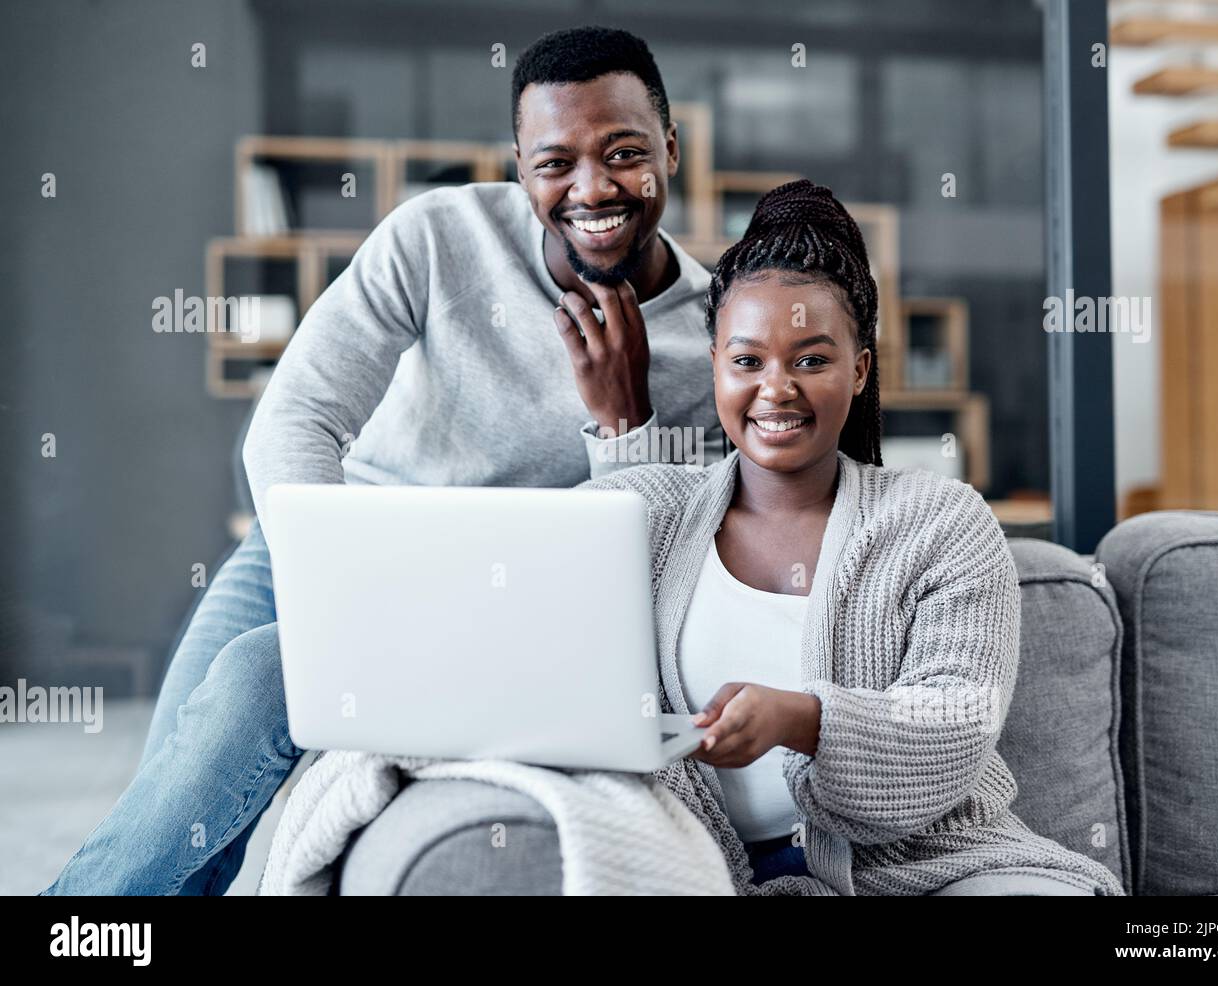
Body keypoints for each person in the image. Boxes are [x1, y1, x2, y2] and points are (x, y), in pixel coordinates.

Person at [43, 25, 724, 895]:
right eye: (555, 162)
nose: (592, 188)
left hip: (495, 597)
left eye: (623, 152)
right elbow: (295, 416)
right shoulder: (440, 235)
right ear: (520, 166)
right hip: (326, 545)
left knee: (255, 681)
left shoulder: (713, 340)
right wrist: (339, 585)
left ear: (670, 147)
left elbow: (660, 568)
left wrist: (622, 420)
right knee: (176, 801)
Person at [575, 179, 1125, 895]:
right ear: (715, 366)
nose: (776, 389)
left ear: (860, 369)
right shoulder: (643, 516)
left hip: (931, 869)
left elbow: (957, 719)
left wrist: (800, 720)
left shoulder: (942, 522)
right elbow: (527, 621)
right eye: (747, 361)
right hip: (709, 873)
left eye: (811, 360)